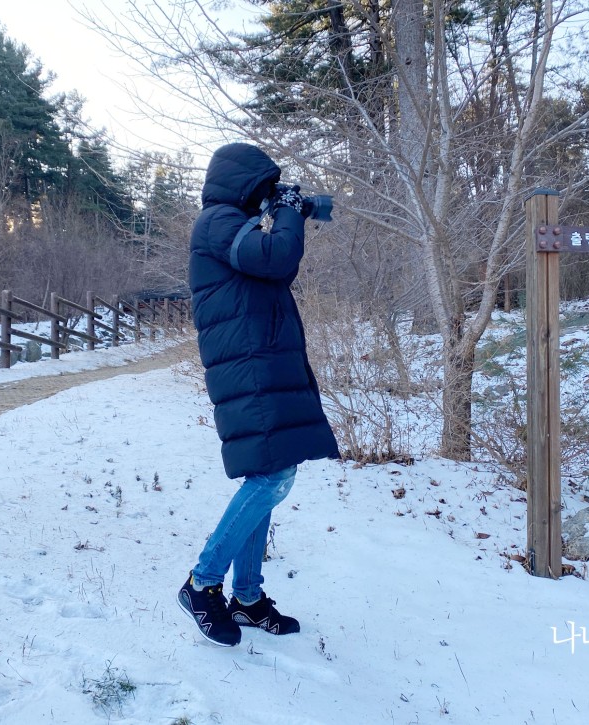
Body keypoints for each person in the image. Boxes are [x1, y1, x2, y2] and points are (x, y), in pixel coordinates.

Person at [177, 142, 340, 647]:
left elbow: (266, 257)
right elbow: (278, 256)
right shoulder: (216, 222)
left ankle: (246, 596)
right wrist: (288, 211)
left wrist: (292, 208)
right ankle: (202, 584)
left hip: (260, 363)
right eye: (264, 187)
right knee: (272, 476)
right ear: (243, 182)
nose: (268, 196)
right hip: (247, 368)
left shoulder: (233, 223)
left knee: (267, 470)